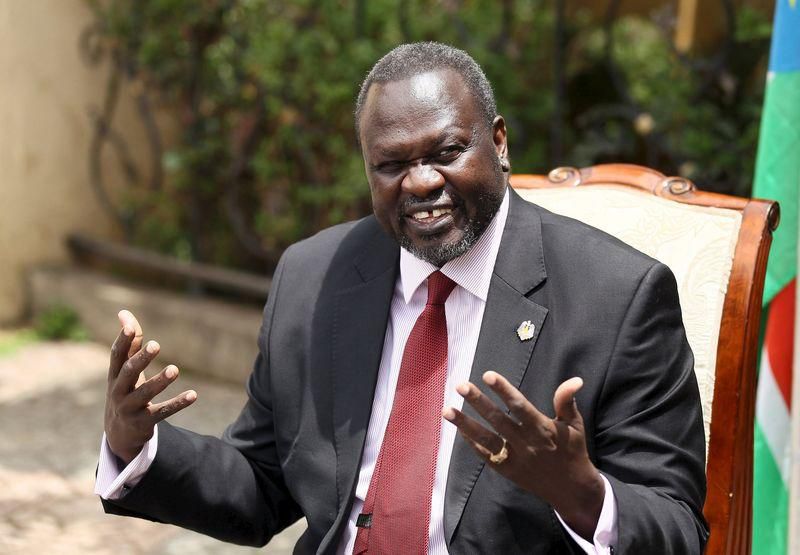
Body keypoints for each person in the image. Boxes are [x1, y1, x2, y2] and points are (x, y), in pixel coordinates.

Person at [96, 42, 708, 554]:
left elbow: (679, 527)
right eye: (392, 164)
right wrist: (136, 444)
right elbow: (264, 484)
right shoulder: (313, 277)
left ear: (498, 143)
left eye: (446, 153)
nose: (420, 182)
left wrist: (578, 491)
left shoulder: (618, 296)